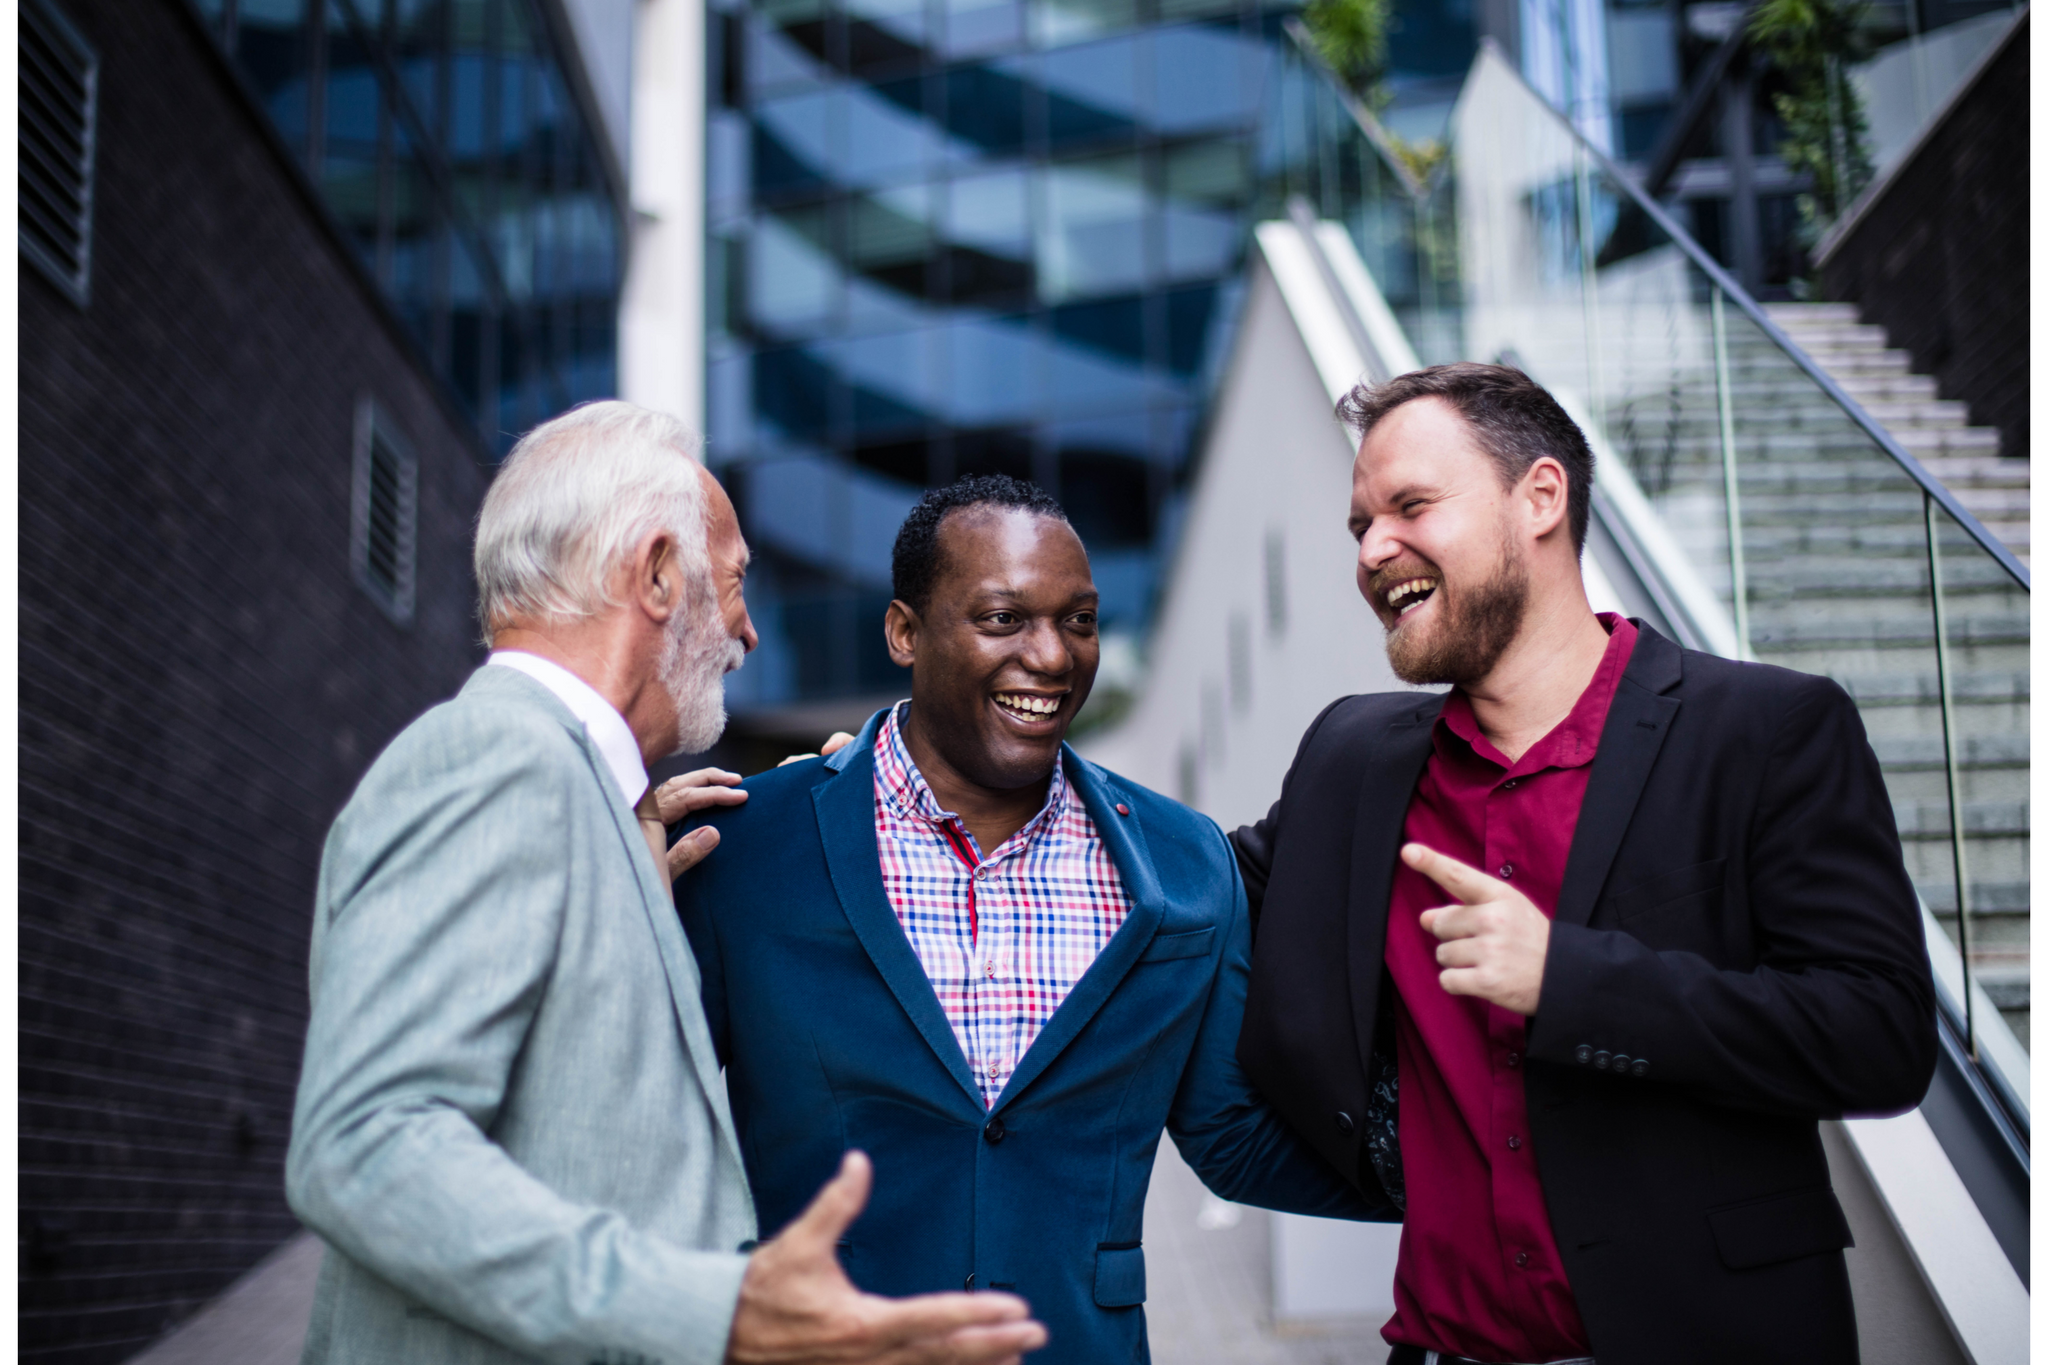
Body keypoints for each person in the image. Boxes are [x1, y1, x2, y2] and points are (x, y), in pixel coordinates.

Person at [286, 403, 1046, 1365]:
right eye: (732, 585)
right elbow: (363, 1145)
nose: (747, 632)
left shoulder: (596, 806)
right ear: (654, 576)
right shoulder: (496, 761)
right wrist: (715, 1311)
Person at [1228, 363, 1937, 1365]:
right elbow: (1195, 898)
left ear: (1541, 499)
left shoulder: (1766, 731)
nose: (1373, 548)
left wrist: (1570, 984)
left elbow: (1878, 1037)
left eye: (1409, 506)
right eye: (1359, 526)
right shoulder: (1351, 760)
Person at [663, 475, 1387, 1365]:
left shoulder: (1184, 863)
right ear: (905, 632)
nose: (1051, 656)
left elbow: (1230, 1135)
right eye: (1004, 618)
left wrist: (1493, 1175)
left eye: (1079, 620)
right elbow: (651, 1127)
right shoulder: (738, 849)